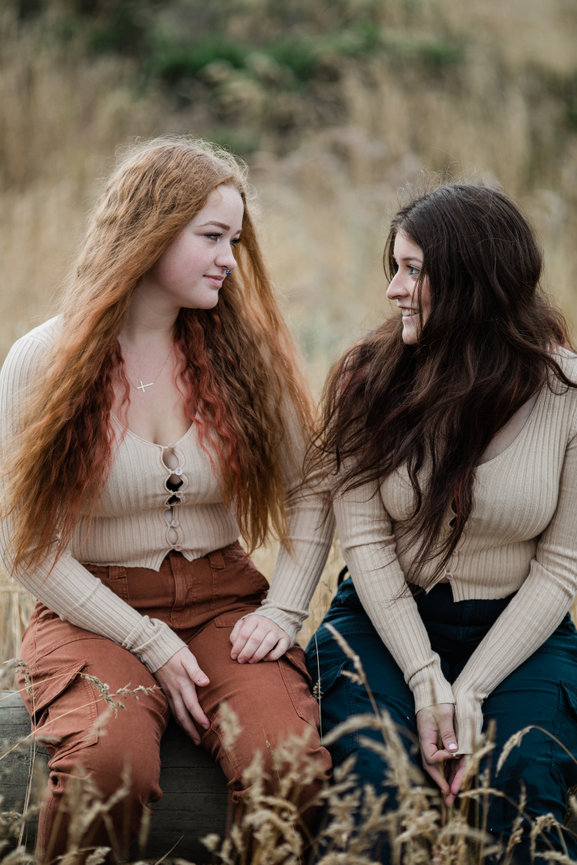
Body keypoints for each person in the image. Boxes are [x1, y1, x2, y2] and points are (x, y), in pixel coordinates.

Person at [0, 136, 333, 864]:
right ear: (148, 234)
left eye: (234, 240)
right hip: (91, 611)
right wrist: (147, 639)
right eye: (210, 236)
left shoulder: (247, 355)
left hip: (224, 603)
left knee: (288, 769)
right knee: (108, 767)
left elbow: (311, 485)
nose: (227, 258)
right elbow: (22, 545)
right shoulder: (43, 361)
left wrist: (282, 608)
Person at [305, 182, 577, 863]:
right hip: (381, 619)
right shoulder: (367, 380)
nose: (393, 288)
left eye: (413, 270)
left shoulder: (565, 393)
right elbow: (362, 540)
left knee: (525, 795)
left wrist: (473, 687)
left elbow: (560, 566)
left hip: (520, 628)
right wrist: (426, 679)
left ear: (474, 284)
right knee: (371, 795)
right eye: (393, 266)